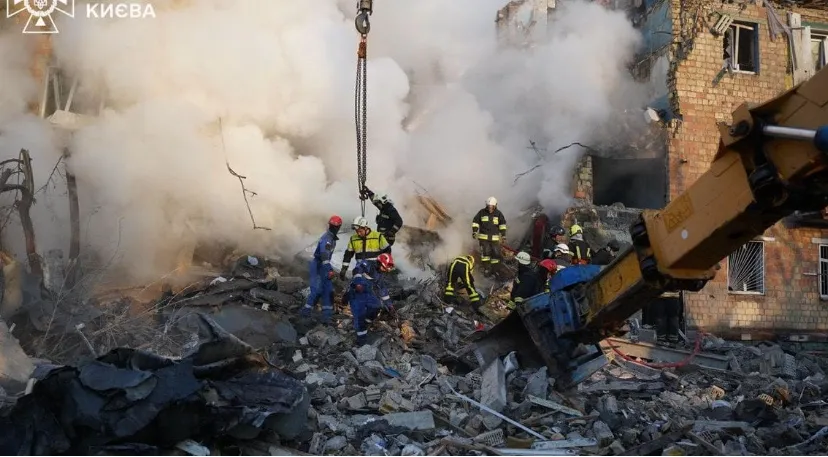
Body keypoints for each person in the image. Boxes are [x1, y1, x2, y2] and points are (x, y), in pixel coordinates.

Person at [342, 255, 395, 345]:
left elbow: (382, 290)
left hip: (367, 292)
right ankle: (361, 342)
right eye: (384, 268)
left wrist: (390, 305)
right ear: (379, 263)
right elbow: (357, 270)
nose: (385, 270)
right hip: (355, 292)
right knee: (359, 315)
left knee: (376, 306)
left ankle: (365, 323)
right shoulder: (367, 264)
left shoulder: (379, 274)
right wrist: (358, 283)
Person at [301, 215, 342, 323]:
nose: (333, 228)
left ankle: (326, 317)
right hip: (318, 265)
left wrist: (328, 269)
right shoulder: (327, 238)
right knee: (316, 290)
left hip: (323, 265)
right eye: (332, 226)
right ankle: (305, 313)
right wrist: (329, 269)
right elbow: (324, 256)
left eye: (335, 226)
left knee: (328, 290)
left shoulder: (332, 238)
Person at [472, 197, 507, 273]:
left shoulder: (499, 214)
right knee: (485, 255)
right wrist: (474, 231)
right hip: (484, 239)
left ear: (495, 205)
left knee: (496, 254)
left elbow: (502, 225)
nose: (490, 208)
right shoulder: (481, 212)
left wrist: (503, 235)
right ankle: (487, 269)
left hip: (494, 239)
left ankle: (495, 270)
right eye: (488, 206)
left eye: (491, 206)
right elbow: (475, 222)